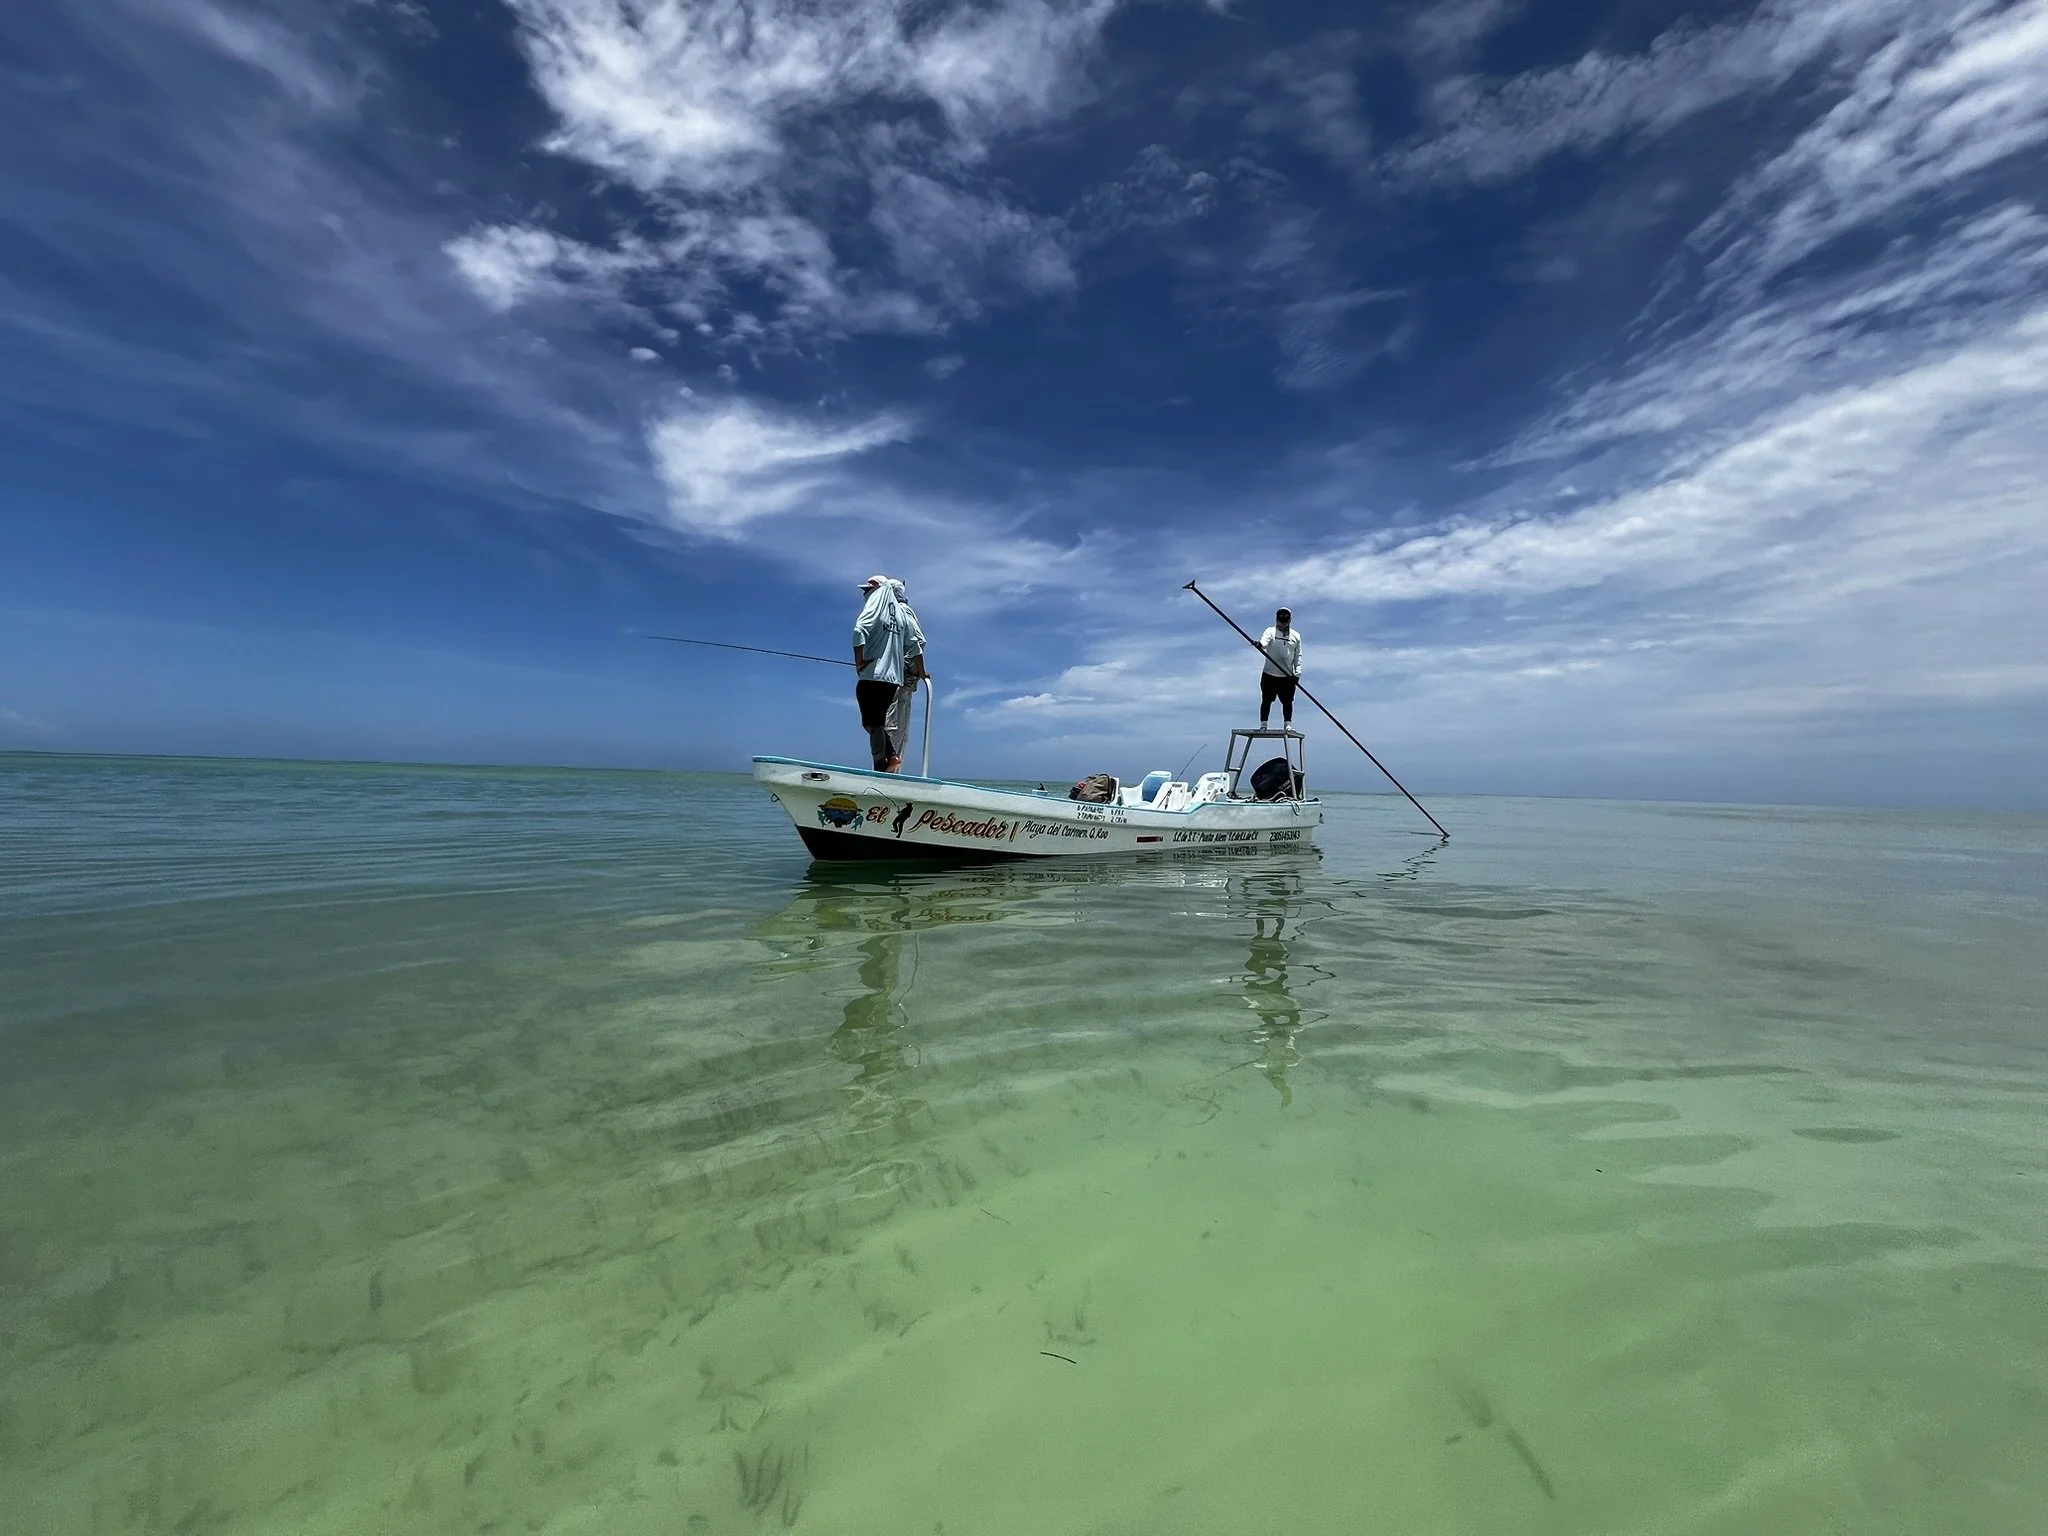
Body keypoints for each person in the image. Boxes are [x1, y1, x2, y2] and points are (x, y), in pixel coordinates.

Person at [852, 574, 924, 772]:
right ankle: (891, 758)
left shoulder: (880, 608)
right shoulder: (900, 614)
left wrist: (859, 661)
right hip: (893, 678)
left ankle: (881, 766)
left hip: (875, 676)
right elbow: (916, 645)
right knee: (876, 723)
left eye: (867, 589)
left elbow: (859, 630)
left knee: (874, 723)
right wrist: (922, 671)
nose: (865, 594)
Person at [884, 578, 928, 771]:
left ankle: (891, 767)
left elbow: (917, 641)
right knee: (896, 722)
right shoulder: (894, 611)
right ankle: (893, 767)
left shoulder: (901, 611)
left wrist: (919, 670)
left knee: (891, 721)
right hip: (901, 674)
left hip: (900, 675)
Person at [1258, 607, 1302, 728]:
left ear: (1289, 620)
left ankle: (1287, 723)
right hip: (1269, 674)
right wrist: (1260, 645)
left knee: (1288, 702)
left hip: (1287, 676)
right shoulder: (1270, 631)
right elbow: (1264, 641)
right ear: (1277, 619)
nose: (1282, 623)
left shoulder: (1296, 636)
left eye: (1285, 620)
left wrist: (1297, 674)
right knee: (1266, 700)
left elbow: (1298, 655)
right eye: (1280, 619)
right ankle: (1263, 724)